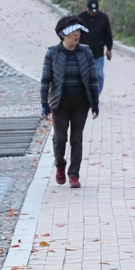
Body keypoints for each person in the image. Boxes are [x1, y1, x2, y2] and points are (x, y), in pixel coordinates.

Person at [40, 15, 100, 188]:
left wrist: (95, 102)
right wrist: (44, 102)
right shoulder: (52, 53)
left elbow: (93, 77)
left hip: (81, 102)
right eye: (72, 31)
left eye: (78, 30)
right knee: (60, 139)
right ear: (62, 34)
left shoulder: (85, 51)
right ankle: (60, 165)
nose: (77, 34)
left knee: (77, 138)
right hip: (59, 103)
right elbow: (46, 79)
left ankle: (74, 174)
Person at [79, 0, 114, 93]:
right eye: (91, 11)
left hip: (98, 52)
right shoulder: (81, 17)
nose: (93, 13)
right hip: (84, 53)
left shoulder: (103, 18)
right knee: (84, 75)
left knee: (99, 75)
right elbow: (76, 34)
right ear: (87, 8)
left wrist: (109, 48)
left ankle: (96, 95)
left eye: (95, 11)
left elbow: (108, 34)